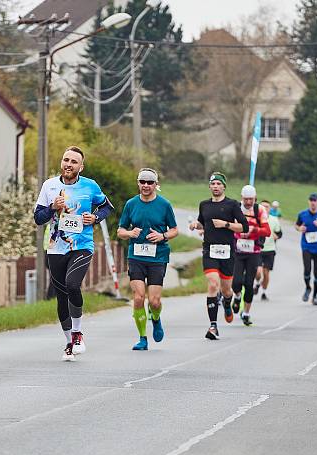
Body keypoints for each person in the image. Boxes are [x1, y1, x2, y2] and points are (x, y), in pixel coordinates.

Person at [34, 146, 114, 361]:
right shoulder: (49, 186)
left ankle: (78, 333)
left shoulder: (90, 186)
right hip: (55, 246)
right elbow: (38, 218)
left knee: (72, 284)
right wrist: (52, 207)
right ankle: (69, 341)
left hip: (82, 245)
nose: (69, 164)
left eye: (74, 161)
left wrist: (95, 218)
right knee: (61, 297)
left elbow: (108, 207)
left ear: (81, 167)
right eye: (66, 159)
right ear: (62, 162)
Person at [117, 168, 178, 350]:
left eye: (149, 182)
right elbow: (120, 231)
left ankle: (156, 318)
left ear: (155, 184)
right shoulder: (131, 204)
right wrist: (130, 233)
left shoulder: (164, 205)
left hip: (158, 257)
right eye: (142, 182)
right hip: (136, 255)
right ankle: (142, 338)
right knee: (138, 297)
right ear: (138, 183)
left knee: (154, 301)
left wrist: (162, 236)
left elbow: (175, 230)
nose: (145, 185)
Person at [188, 172, 248, 340]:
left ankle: (227, 303)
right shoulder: (204, 205)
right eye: (213, 184)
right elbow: (202, 221)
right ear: (209, 187)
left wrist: (226, 224)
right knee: (213, 284)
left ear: (224, 187)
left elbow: (244, 227)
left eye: (218, 184)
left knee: (226, 289)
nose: (215, 187)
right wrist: (195, 224)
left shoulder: (232, 205)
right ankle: (213, 326)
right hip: (209, 250)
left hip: (227, 252)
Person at [230, 185, 270, 326]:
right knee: (236, 282)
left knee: (249, 284)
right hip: (238, 251)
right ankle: (237, 296)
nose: (248, 202)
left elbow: (267, 231)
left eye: (251, 199)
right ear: (242, 198)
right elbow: (228, 225)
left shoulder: (260, 210)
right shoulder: (236, 208)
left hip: (254, 252)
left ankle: (246, 313)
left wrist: (255, 229)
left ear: (255, 198)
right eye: (246, 199)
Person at [254, 199, 282, 301]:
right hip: (258, 249)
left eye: (267, 206)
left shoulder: (274, 219)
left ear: (270, 209)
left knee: (266, 273)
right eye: (263, 206)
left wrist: (276, 236)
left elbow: (279, 234)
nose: (265, 208)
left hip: (270, 250)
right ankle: (257, 283)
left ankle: (264, 292)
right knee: (258, 271)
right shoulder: (256, 219)